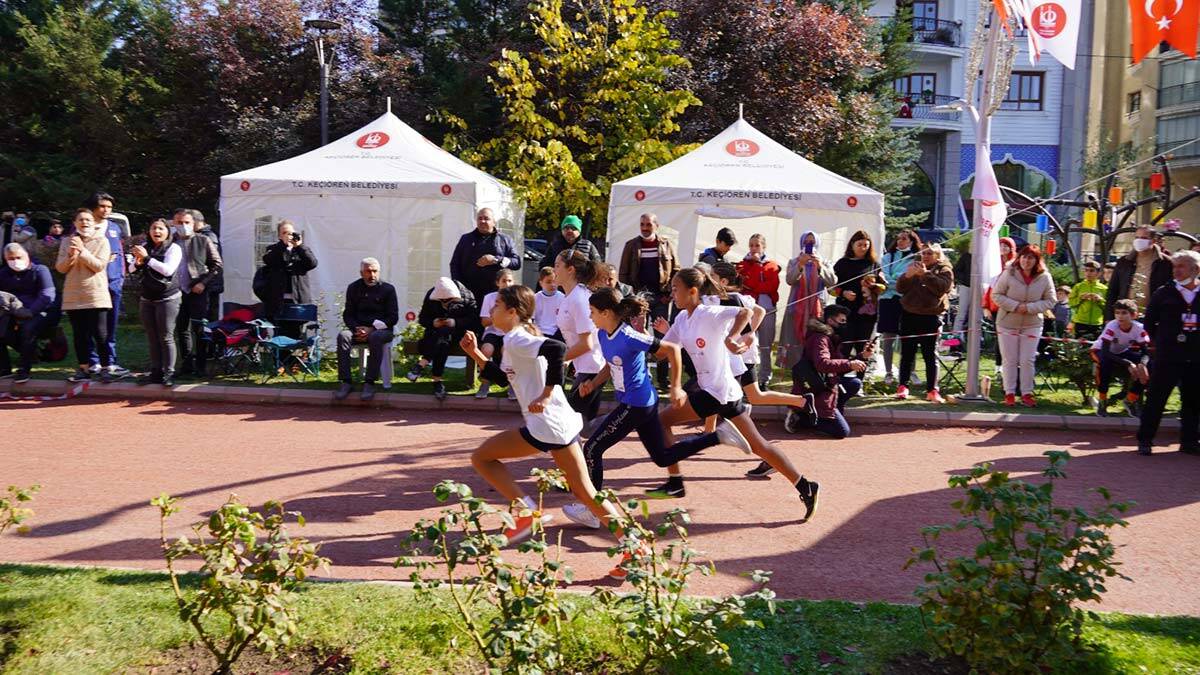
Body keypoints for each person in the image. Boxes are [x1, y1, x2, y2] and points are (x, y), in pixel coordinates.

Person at [457, 285, 627, 577]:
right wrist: (475, 354)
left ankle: (526, 513)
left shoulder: (518, 338)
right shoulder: (515, 339)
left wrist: (547, 393)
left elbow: (557, 349)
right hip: (558, 424)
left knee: (482, 458)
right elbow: (504, 379)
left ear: (512, 312)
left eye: (497, 306)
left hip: (546, 425)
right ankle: (635, 546)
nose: (491, 310)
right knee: (586, 492)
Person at [559, 287, 748, 528]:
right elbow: (611, 364)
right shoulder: (604, 335)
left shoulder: (629, 336)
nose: (590, 316)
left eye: (593, 311)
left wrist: (676, 387)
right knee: (662, 457)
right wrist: (594, 383)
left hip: (636, 404)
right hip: (640, 403)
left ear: (606, 313)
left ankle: (593, 510)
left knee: (593, 448)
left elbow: (672, 349)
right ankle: (719, 436)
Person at [646, 268, 821, 517]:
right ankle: (805, 485)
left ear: (693, 291)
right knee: (759, 446)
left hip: (716, 391)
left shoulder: (709, 313)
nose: (672, 293)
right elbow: (664, 351)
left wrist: (733, 337)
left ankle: (676, 481)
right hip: (724, 391)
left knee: (661, 421)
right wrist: (639, 336)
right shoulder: (682, 319)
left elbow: (745, 312)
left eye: (676, 289)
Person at [1135, 250, 1200, 456]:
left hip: (1196, 356)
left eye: (1181, 266)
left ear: (1196, 270)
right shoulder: (1163, 292)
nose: (1176, 271)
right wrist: (1158, 344)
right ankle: (1145, 440)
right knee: (1156, 398)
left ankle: (1189, 442)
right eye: (1174, 266)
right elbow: (1149, 322)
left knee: (1193, 400)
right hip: (1168, 355)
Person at [782, 305, 869, 441]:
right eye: (842, 321)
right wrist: (850, 364)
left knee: (854, 383)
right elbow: (822, 364)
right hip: (815, 388)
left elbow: (837, 365)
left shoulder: (830, 338)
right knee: (842, 431)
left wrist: (862, 356)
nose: (844, 324)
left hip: (825, 382)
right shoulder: (820, 339)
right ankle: (801, 417)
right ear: (830, 320)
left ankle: (829, 412)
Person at [618, 213, 679, 386]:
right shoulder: (631, 245)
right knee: (638, 337)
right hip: (639, 299)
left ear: (656, 226)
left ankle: (663, 379)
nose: (645, 228)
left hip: (661, 299)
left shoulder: (667, 244)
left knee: (662, 337)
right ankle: (643, 375)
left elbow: (676, 270)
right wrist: (634, 295)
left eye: (648, 224)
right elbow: (623, 274)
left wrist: (669, 293)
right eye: (642, 224)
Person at [992, 245, 1056, 407]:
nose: (1027, 261)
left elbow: (1051, 300)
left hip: (1032, 324)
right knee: (1009, 359)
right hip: (1007, 323)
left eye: (1031, 258)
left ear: (1037, 261)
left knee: (1027, 359)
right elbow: (996, 295)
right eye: (1024, 257)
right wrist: (1015, 306)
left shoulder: (1045, 277)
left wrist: (1030, 308)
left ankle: (1027, 393)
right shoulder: (1008, 273)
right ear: (1019, 258)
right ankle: (1009, 393)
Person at [56, 209, 114, 382]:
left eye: (88, 219)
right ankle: (83, 369)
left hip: (95, 294)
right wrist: (71, 256)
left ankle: (105, 368)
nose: (85, 222)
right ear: (75, 223)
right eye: (80, 219)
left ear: (94, 223)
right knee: (80, 335)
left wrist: (82, 251)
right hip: (73, 295)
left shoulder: (102, 240)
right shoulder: (67, 241)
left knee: (100, 334)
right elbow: (60, 268)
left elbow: (99, 266)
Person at [554, 249, 607, 434]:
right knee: (582, 427)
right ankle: (632, 416)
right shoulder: (570, 297)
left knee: (573, 425)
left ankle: (632, 417)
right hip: (585, 367)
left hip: (593, 367)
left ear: (570, 270)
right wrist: (567, 360)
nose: (554, 270)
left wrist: (557, 360)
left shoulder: (579, 299)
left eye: (557, 266)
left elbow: (587, 344)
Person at [895, 242, 953, 403]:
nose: (925, 256)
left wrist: (925, 274)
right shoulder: (913, 266)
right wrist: (907, 276)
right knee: (907, 353)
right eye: (923, 253)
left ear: (937, 255)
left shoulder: (944, 269)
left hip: (931, 316)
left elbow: (942, 288)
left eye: (929, 253)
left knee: (930, 354)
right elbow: (900, 288)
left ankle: (932, 390)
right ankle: (902, 386)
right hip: (909, 314)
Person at [334, 258, 399, 402]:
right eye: (368, 271)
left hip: (381, 330)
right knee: (343, 336)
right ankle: (346, 381)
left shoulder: (388, 289)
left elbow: (393, 318)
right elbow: (348, 314)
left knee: (375, 337)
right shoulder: (353, 288)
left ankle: (369, 382)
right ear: (361, 273)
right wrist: (356, 329)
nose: (372, 275)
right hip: (358, 329)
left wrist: (371, 329)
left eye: (375, 271)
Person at [130, 219, 183, 387]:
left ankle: (169, 373)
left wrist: (146, 258)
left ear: (168, 231)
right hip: (147, 298)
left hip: (168, 298)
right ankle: (156, 372)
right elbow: (131, 269)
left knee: (166, 336)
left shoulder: (174, 248)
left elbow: (167, 270)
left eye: (161, 228)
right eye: (153, 228)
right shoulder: (145, 246)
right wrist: (137, 262)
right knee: (152, 337)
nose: (156, 231)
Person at [171, 208, 223, 379]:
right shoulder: (170, 241)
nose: (183, 226)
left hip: (198, 291)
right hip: (176, 292)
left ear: (193, 223)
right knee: (182, 329)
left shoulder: (203, 240)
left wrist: (203, 283)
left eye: (187, 222)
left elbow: (217, 264)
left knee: (199, 329)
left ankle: (201, 366)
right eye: (179, 222)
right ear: (173, 223)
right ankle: (186, 365)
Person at [406, 277, 476, 401]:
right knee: (442, 340)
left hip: (458, 333)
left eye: (448, 301)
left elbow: (473, 320)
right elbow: (423, 319)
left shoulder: (467, 296)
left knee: (443, 335)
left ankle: (422, 364)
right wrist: (433, 322)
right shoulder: (431, 295)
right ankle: (436, 381)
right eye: (441, 301)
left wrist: (455, 322)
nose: (444, 304)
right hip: (436, 334)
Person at [84, 192, 130, 379]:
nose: (106, 210)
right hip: (92, 283)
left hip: (113, 282)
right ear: (93, 207)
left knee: (110, 324)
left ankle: (110, 361)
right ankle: (92, 361)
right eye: (102, 206)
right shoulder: (84, 226)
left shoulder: (114, 227)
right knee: (90, 324)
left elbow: (119, 253)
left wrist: (121, 275)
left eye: (109, 207)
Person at [449, 207, 520, 325]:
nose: (482, 221)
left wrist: (496, 260)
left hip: (496, 294)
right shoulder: (466, 239)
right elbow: (454, 264)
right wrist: (459, 287)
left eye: (486, 218)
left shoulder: (505, 240)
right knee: (471, 325)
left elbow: (516, 262)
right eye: (480, 218)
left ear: (494, 222)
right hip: (470, 293)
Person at [0, 243, 56, 382]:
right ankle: (4, 369)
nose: (15, 261)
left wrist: (30, 312)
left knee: (28, 329)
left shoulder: (40, 270)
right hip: (12, 311)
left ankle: (24, 369)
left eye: (18, 257)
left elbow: (47, 294)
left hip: (39, 311)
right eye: (10, 259)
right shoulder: (3, 273)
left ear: (27, 256)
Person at [780, 230, 837, 368]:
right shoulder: (794, 261)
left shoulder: (825, 262)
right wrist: (800, 265)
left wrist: (820, 267)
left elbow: (832, 282)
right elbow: (790, 280)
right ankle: (795, 366)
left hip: (817, 307)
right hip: (796, 307)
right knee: (794, 336)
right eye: (806, 242)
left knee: (814, 336)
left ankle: (813, 366)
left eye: (812, 242)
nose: (809, 244)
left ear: (817, 243)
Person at [832, 230, 883, 375]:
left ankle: (859, 380)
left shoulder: (874, 264)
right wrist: (843, 293)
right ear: (852, 245)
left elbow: (883, 287)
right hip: (845, 312)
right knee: (844, 346)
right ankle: (839, 379)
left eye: (866, 245)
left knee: (863, 347)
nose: (863, 248)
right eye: (860, 245)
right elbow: (831, 288)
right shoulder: (842, 264)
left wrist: (874, 286)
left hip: (867, 313)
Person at [737, 234, 782, 388]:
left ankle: (764, 378)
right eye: (751, 245)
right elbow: (746, 283)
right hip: (749, 310)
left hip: (768, 309)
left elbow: (772, 286)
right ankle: (748, 378)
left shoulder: (772, 265)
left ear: (763, 246)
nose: (754, 248)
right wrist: (756, 266)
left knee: (765, 345)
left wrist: (754, 286)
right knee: (746, 342)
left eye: (757, 245)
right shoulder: (743, 265)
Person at [1092, 299, 1149, 418]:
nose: (1120, 316)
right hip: (1100, 350)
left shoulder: (1139, 328)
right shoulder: (1112, 326)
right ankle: (1102, 401)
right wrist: (1128, 363)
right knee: (1105, 364)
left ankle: (1130, 400)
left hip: (1121, 351)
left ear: (1133, 315)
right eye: (1117, 313)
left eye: (1124, 313)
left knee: (1151, 366)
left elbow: (1146, 352)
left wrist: (1142, 365)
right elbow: (1106, 352)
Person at [879, 229, 921, 385]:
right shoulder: (887, 257)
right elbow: (884, 276)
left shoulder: (916, 257)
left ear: (911, 241)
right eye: (898, 238)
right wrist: (897, 281)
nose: (900, 241)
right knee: (888, 338)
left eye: (904, 238)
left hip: (907, 300)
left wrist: (896, 280)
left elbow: (909, 278)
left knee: (909, 338)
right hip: (888, 299)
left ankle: (911, 371)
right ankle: (889, 372)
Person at [1106, 225, 1173, 319]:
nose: (1139, 240)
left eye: (1144, 238)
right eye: (1137, 237)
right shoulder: (1124, 262)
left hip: (1153, 317)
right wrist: (1109, 317)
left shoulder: (1166, 263)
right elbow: (1113, 290)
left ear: (1153, 240)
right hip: (1125, 317)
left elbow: (1170, 292)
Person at [260, 219, 319, 320]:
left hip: (298, 300)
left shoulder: (302, 250)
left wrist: (299, 246)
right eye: (284, 233)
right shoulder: (273, 249)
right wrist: (283, 245)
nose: (288, 236)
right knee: (279, 328)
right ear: (279, 236)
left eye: (291, 233)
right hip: (278, 301)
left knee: (298, 328)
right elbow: (268, 260)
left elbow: (312, 264)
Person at [475, 269, 517, 399]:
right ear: (497, 283)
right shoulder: (489, 298)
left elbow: (518, 320)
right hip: (493, 332)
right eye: (504, 281)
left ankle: (513, 384)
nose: (507, 284)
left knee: (508, 350)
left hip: (510, 332)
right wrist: (497, 316)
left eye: (509, 281)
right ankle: (485, 382)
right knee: (486, 350)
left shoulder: (517, 298)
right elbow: (484, 322)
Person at [192, 210, 224, 322]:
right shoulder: (197, 236)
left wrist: (203, 283)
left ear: (195, 221)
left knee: (207, 320)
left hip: (209, 286)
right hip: (201, 285)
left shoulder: (209, 237)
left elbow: (216, 264)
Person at [1069, 261, 1108, 341]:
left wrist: (1100, 300)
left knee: (1094, 346)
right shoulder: (1078, 286)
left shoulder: (1104, 288)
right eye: (1086, 270)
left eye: (1091, 270)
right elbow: (1071, 303)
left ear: (1098, 273)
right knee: (1080, 346)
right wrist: (1080, 298)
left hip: (1097, 323)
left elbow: (1108, 307)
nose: (1088, 273)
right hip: (1080, 323)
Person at [533, 267, 565, 340]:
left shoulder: (563, 298)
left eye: (554, 281)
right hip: (539, 333)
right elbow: (531, 319)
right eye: (548, 282)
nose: (553, 285)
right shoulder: (535, 298)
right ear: (541, 283)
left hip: (557, 334)